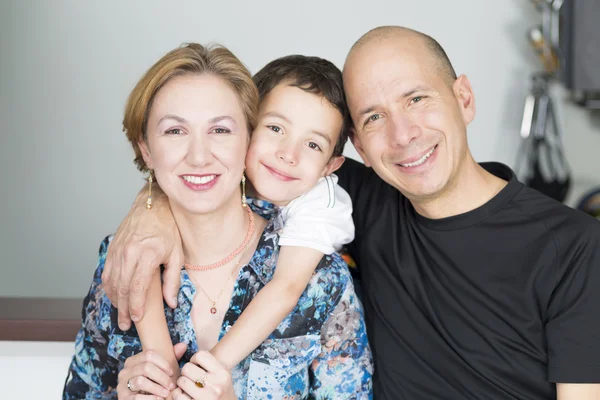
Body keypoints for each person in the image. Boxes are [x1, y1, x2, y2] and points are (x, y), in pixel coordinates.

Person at [104, 26, 600, 399]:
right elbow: (217, 154)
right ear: (357, 147)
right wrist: (151, 208)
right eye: (374, 118)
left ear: (463, 98)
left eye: (418, 99)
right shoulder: (355, 198)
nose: (403, 135)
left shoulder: (573, 245)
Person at [62, 42, 372, 399]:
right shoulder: (122, 258)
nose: (198, 156)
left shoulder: (322, 278)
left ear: (246, 138)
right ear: (146, 149)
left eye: (220, 130)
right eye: (175, 131)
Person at [132, 52, 358, 389]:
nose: (287, 154)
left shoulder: (318, 216)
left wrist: (202, 377)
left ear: (330, 166)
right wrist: (149, 209)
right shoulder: (129, 248)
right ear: (250, 128)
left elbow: (286, 288)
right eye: (275, 128)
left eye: (312, 144)